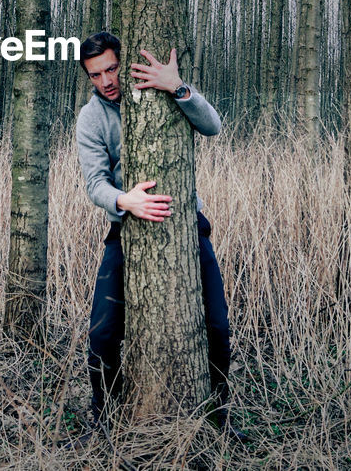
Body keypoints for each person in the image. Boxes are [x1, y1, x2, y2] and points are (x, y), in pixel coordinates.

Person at [75, 31, 240, 436]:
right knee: (102, 334)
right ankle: (105, 414)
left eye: (112, 69)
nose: (107, 81)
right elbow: (95, 183)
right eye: (96, 75)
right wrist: (125, 201)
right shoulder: (91, 118)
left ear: (122, 62)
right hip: (126, 229)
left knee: (217, 326)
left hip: (187, 226)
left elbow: (213, 125)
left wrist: (177, 87)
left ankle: (217, 413)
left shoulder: (158, 90)